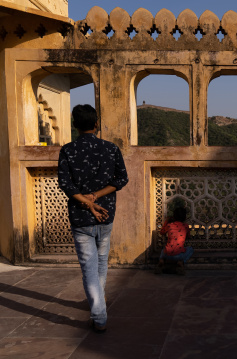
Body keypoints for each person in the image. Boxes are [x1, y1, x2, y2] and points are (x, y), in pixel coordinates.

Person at [58, 104, 128, 334]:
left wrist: (87, 202)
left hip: (80, 218)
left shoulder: (68, 150)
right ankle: (99, 302)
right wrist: (96, 197)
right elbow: (121, 179)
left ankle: (98, 315)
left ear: (75, 125)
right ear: (96, 124)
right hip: (105, 214)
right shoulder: (110, 148)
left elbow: (65, 185)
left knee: (89, 268)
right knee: (100, 263)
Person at [156, 207, 194, 275]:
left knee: (164, 248)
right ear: (184, 217)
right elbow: (188, 236)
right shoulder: (185, 226)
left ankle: (161, 260)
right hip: (179, 255)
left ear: (174, 216)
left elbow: (162, 232)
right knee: (190, 249)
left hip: (166, 255)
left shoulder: (169, 225)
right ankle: (181, 262)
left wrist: (166, 222)